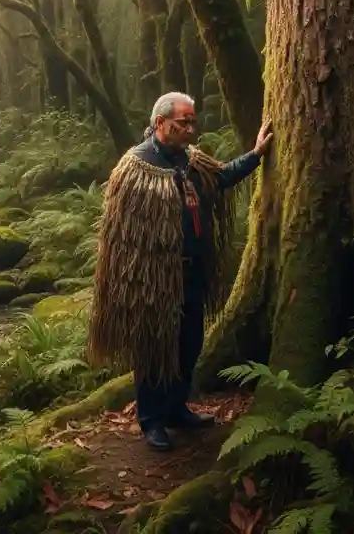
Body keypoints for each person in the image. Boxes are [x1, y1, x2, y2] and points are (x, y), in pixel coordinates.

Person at [87, 92, 273, 451]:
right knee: (155, 349)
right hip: (152, 282)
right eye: (182, 122)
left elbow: (221, 177)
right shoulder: (135, 167)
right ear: (160, 123)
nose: (190, 129)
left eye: (192, 122)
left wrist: (256, 155)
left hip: (192, 274)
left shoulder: (191, 161)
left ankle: (176, 409)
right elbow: (119, 236)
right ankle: (151, 420)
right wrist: (136, 280)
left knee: (189, 345)